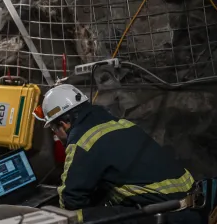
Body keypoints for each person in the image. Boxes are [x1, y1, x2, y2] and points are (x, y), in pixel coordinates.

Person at [37, 84, 201, 223]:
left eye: (54, 130)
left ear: (64, 124)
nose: (55, 137)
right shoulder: (120, 123)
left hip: (169, 215)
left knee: (72, 217)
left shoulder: (82, 140)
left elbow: (70, 201)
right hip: (194, 207)